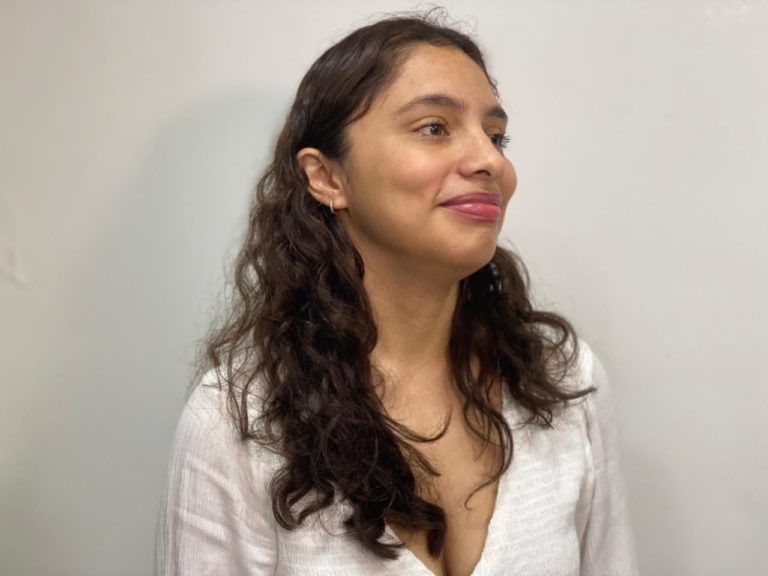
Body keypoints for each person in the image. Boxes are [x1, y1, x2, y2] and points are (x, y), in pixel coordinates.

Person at [154, 11, 638, 576]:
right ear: (326, 177)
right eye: (434, 127)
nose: (491, 161)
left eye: (496, 135)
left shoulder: (564, 381)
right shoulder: (238, 420)